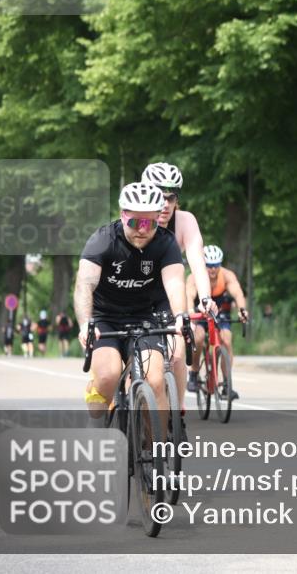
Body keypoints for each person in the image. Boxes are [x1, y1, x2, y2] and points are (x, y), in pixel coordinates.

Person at [73, 182, 188, 428]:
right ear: (123, 216)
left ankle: (154, 453)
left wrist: (179, 316)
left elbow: (175, 283)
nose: (142, 230)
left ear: (158, 219)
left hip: (146, 317)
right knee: (108, 375)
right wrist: (85, 324)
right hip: (106, 317)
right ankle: (99, 407)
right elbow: (84, 284)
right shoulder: (102, 240)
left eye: (150, 223)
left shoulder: (166, 243)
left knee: (154, 381)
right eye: (136, 223)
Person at [141, 162, 215, 394]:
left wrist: (205, 297)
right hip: (134, 292)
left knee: (178, 353)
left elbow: (197, 263)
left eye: (171, 198)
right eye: (159, 196)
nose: (165, 204)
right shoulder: (136, 220)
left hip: (169, 293)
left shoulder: (185, 221)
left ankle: (178, 414)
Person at [186, 245, 248, 399]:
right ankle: (193, 374)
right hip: (199, 312)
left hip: (219, 312)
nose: (212, 270)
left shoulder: (227, 275)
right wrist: (190, 313)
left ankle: (227, 385)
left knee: (227, 340)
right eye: (209, 266)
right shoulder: (194, 276)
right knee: (198, 338)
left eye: (216, 266)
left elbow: (238, 293)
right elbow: (188, 296)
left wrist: (242, 310)